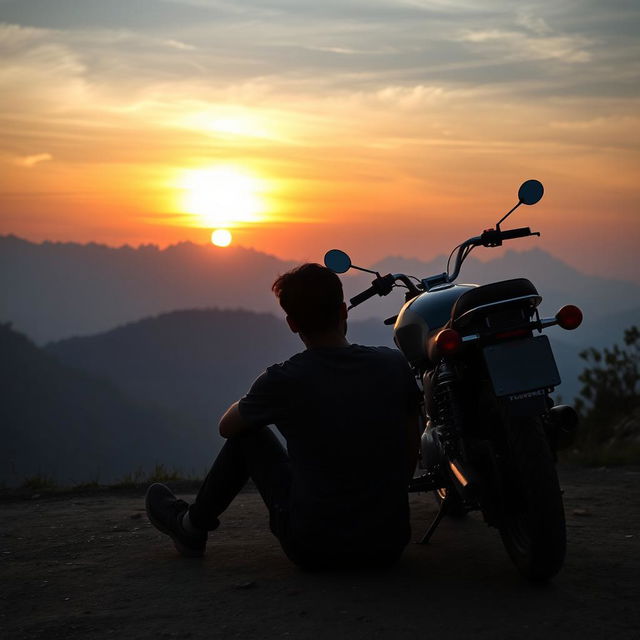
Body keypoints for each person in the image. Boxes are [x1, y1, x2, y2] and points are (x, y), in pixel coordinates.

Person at [145, 263, 421, 569]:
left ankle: (190, 528)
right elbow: (411, 444)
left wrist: (259, 400)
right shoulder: (392, 365)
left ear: (291, 323)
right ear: (344, 311)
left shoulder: (283, 380)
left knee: (250, 435)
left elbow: (228, 428)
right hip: (388, 544)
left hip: (314, 548)